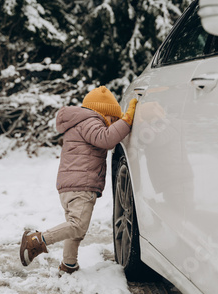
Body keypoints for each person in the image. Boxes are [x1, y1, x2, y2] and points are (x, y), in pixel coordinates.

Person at [20, 86, 137, 273]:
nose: (112, 124)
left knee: (74, 230)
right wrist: (126, 121)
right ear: (101, 112)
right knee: (77, 226)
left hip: (70, 186)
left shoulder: (81, 122)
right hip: (81, 186)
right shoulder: (91, 121)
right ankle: (37, 240)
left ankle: (69, 264)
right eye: (112, 119)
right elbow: (106, 139)